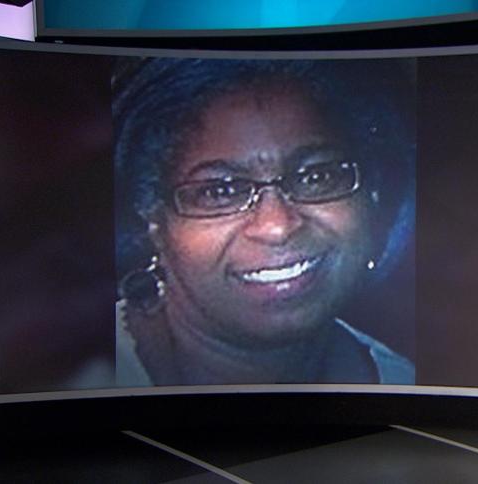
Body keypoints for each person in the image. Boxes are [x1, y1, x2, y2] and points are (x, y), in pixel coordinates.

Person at [112, 57, 416, 386]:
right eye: (220, 192)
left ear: (373, 193)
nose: (278, 227)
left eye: (316, 177)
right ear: (153, 219)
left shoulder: (404, 382)